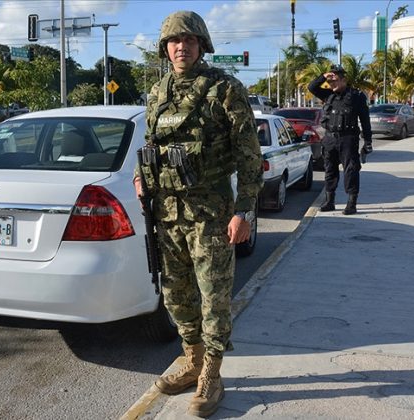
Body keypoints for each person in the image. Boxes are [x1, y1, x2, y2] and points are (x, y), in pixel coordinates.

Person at [133, 11, 263, 418]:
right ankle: (191, 359)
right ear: (165, 47)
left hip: (210, 214)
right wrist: (141, 178)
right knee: (176, 295)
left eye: (189, 40)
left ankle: (212, 372)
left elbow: (249, 156)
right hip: (166, 214)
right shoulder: (157, 93)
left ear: (202, 44)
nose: (181, 47)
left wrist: (244, 210)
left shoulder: (225, 89)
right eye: (174, 41)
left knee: (214, 297)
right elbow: (150, 143)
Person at [307, 64, 372, 215]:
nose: (331, 84)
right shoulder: (328, 95)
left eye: (335, 81)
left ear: (343, 80)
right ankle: (330, 201)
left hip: (348, 139)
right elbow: (312, 87)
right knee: (330, 170)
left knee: (351, 170)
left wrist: (368, 141)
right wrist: (324, 76)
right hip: (330, 138)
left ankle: (351, 203)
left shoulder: (356, 96)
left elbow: (365, 120)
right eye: (330, 82)